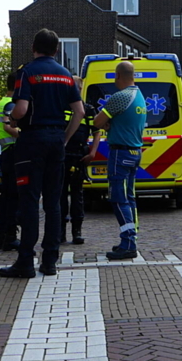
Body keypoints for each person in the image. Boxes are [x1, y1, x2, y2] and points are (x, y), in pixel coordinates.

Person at [0, 29, 85, 278]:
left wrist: (11, 116)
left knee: (28, 201)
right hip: (56, 141)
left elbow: (22, 109)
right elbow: (79, 112)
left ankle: (25, 261)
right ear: (57, 49)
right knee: (54, 202)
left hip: (31, 141)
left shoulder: (26, 72)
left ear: (34, 47)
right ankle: (50, 261)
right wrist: (65, 138)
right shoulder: (66, 75)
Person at [90, 61, 147, 260]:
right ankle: (131, 239)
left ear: (118, 76)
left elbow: (97, 121)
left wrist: (107, 123)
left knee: (118, 199)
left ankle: (128, 242)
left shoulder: (120, 97)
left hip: (120, 154)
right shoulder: (139, 96)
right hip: (134, 152)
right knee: (129, 197)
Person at [61, 76, 101, 245]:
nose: (78, 91)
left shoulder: (88, 109)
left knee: (77, 196)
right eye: (76, 88)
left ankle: (77, 231)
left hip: (79, 156)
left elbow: (96, 131)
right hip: (61, 156)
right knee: (60, 196)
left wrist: (93, 152)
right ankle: (60, 232)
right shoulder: (60, 107)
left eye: (79, 88)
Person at [0, 71, 21, 250]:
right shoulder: (10, 104)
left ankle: (3, 235)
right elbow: (7, 126)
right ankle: (9, 236)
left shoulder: (0, 103)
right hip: (13, 153)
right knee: (13, 197)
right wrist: (28, 136)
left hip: (6, 152)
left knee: (6, 198)